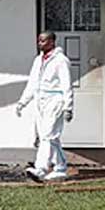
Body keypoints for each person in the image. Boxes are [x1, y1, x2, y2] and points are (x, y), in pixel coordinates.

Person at [16, 31, 74, 182]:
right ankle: (60, 166)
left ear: (52, 42)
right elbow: (32, 83)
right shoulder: (38, 60)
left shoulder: (61, 60)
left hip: (55, 100)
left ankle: (40, 169)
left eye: (43, 41)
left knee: (48, 135)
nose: (40, 44)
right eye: (39, 41)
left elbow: (67, 84)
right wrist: (23, 101)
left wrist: (68, 106)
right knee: (48, 137)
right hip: (40, 100)